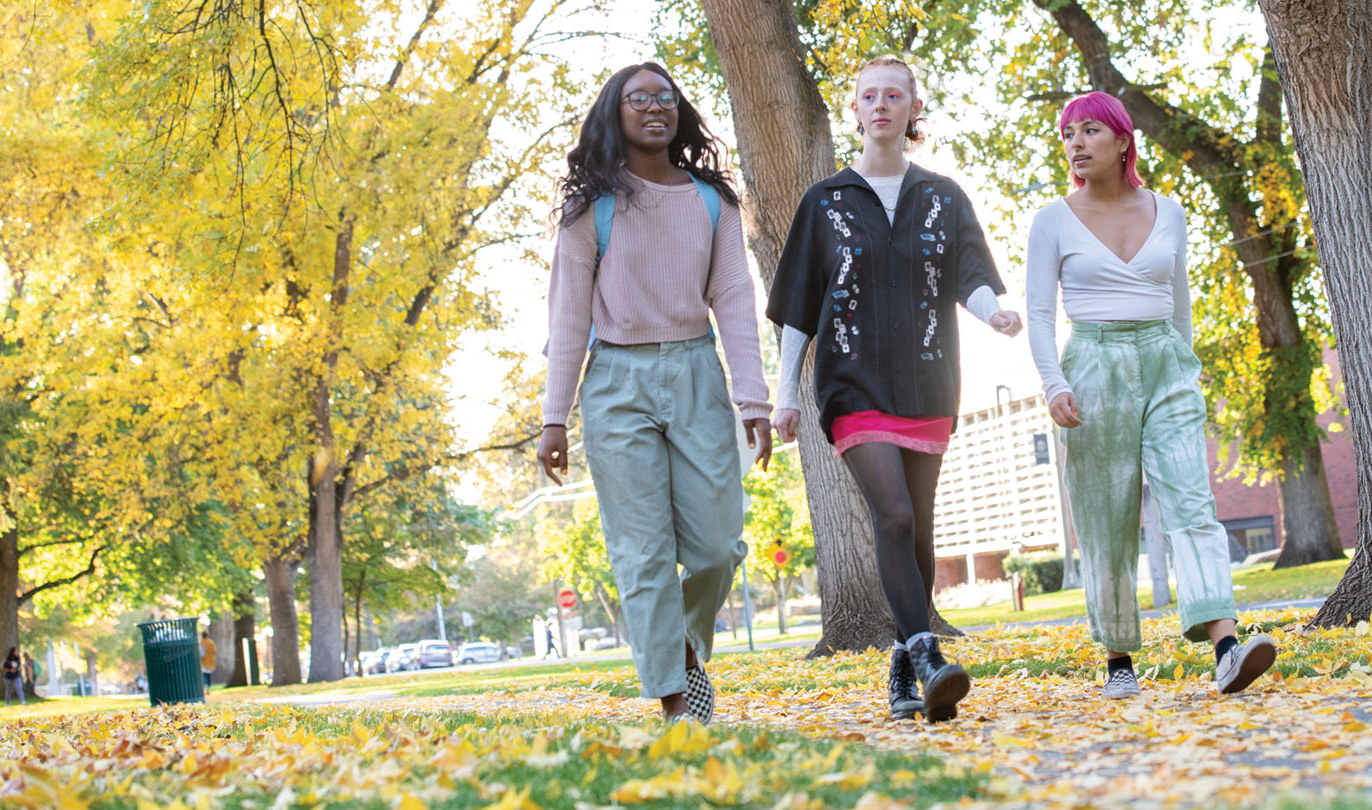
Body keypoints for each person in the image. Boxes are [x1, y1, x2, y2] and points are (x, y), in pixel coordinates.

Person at [766, 56, 1022, 723]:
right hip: (851, 384)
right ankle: (926, 651)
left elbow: (970, 273)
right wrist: (785, 395)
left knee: (919, 529)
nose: (880, 105)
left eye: (893, 96)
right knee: (895, 516)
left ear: (913, 110)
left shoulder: (944, 196)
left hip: (929, 382)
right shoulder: (824, 202)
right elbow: (799, 304)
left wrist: (994, 311)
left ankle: (902, 674)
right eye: (868, 96)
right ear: (854, 109)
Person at [537, 61, 773, 724]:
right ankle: (677, 703)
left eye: (664, 98)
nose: (653, 108)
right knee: (641, 553)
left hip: (697, 372)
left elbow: (732, 296)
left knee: (718, 545)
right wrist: (554, 417)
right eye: (638, 99)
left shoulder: (711, 202)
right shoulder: (592, 207)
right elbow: (567, 316)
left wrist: (753, 400)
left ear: (679, 111)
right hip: (616, 384)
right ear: (615, 113)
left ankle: (687, 651)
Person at [1026, 90, 1277, 700]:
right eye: (1067, 134)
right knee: (1106, 516)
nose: (1076, 143)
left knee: (1193, 502)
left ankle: (1225, 646)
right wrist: (1054, 384)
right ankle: (1117, 659)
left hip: (1166, 361)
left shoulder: (1170, 211)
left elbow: (1179, 303)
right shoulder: (1052, 219)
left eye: (1089, 130)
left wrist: (1187, 370)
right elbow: (1037, 313)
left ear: (1122, 139)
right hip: (1093, 363)